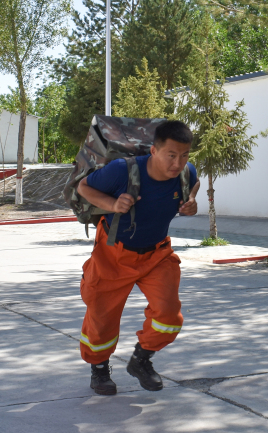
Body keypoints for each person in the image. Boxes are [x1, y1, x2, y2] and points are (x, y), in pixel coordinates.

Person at [76, 120, 200, 395]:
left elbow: (195, 182)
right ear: (154, 151)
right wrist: (112, 204)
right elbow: (83, 187)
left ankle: (141, 359)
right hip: (113, 255)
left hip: (157, 255)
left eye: (184, 155)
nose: (178, 163)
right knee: (101, 318)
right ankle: (99, 368)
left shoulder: (186, 172)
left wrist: (191, 201)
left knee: (169, 316)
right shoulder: (122, 170)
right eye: (171, 155)